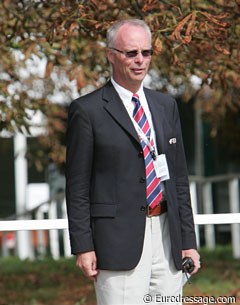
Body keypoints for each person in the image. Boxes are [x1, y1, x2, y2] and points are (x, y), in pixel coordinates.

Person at [66, 19, 200, 305]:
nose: (140, 60)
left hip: (167, 236)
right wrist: (83, 246)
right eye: (131, 53)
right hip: (116, 240)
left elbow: (178, 178)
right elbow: (77, 186)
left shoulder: (166, 106)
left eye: (146, 52)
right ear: (110, 55)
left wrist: (188, 241)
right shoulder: (86, 111)